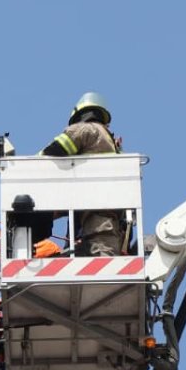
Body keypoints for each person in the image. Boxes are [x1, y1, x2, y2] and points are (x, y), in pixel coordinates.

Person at [39, 91, 126, 256]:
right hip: (106, 225)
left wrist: (19, 169)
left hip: (98, 227)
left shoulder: (87, 130)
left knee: (101, 263)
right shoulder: (111, 147)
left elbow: (52, 154)